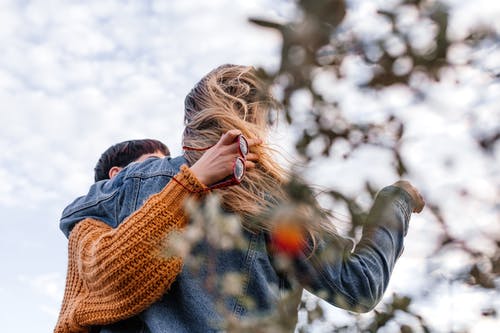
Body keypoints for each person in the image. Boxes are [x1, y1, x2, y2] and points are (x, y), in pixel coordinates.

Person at [55, 64, 425, 333]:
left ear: (190, 123)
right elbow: (358, 289)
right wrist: (396, 201)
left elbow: (71, 216)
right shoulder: (278, 205)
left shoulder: (139, 179)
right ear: (262, 123)